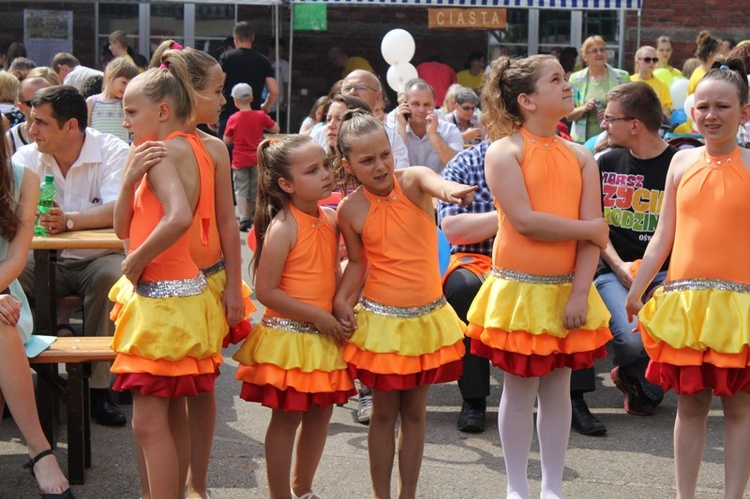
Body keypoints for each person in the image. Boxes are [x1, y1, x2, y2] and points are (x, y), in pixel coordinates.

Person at [466, 55, 612, 498]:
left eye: (566, 78)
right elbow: (526, 221)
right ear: (527, 100)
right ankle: (516, 487)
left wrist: (580, 293)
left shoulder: (582, 155)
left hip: (568, 289)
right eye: (556, 79)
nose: (568, 85)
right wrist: (589, 228)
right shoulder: (504, 150)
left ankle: (552, 487)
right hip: (520, 291)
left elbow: (594, 237)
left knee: (558, 388)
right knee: (519, 385)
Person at [625, 58, 750, 499]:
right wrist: (637, 290)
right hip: (687, 305)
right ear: (691, 110)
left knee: (739, 408)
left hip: (740, 310)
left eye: (723, 106)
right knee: (691, 404)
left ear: (744, 113)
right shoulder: (680, 161)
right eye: (702, 106)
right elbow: (663, 235)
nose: (711, 115)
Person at [333, 110, 474, 498]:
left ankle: (407, 494)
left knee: (415, 412)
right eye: (366, 160)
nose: (380, 166)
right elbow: (358, 263)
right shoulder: (350, 210)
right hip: (381, 326)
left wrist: (450, 191)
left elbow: (435, 181)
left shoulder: (411, 182)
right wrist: (341, 301)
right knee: (382, 413)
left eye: (384, 155)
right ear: (348, 165)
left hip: (426, 320)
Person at [110, 57, 225, 499]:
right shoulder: (187, 147)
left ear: (161, 111)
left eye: (131, 111)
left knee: (148, 422)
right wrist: (126, 180)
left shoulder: (164, 152)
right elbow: (123, 225)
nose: (125, 121)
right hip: (180, 297)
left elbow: (177, 218)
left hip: (161, 301)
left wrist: (135, 260)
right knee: (171, 414)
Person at [234, 135, 356, 499]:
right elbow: (267, 291)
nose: (325, 174)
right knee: (286, 420)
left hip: (323, 335)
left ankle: (304, 489)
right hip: (291, 338)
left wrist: (340, 304)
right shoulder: (283, 227)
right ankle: (279, 495)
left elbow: (334, 272)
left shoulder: (331, 218)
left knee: (321, 417)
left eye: (325, 165)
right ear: (286, 184)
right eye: (312, 170)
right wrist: (317, 316)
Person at [14, 85, 129, 427]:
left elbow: (119, 209)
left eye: (40, 123)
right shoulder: (27, 156)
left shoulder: (112, 150)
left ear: (71, 126)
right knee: (8, 280)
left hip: (94, 259)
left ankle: (97, 389)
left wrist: (68, 221)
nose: (31, 131)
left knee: (112, 278)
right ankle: (18, 378)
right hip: (38, 259)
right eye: (32, 122)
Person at [1, 121, 74, 499]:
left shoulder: (23, 178)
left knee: (1, 326)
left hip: (4, 294)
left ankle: (40, 449)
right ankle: (40, 449)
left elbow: (16, 257)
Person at [596, 81, 677, 416]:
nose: (603, 125)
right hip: (614, 271)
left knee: (668, 336)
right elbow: (596, 228)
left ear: (634, 125)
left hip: (666, 274)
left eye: (609, 118)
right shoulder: (605, 162)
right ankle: (632, 374)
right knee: (631, 339)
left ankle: (638, 376)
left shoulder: (679, 165)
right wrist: (618, 268)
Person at [437, 139, 495, 433]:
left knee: (572, 283)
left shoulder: (544, 157)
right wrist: (516, 217)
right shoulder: (465, 163)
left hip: (533, 259)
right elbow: (453, 228)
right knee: (462, 288)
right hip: (476, 259)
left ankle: (575, 399)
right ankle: (474, 400)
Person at [321, 69, 409, 169]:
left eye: (360, 88)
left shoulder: (391, 136)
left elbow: (400, 175)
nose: (352, 92)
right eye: (347, 88)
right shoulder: (323, 132)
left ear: (378, 96)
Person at [223, 82, 280, 232]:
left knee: (241, 188)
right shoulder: (260, 116)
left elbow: (226, 140)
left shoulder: (233, 118)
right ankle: (254, 216)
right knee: (255, 188)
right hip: (257, 158)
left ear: (235, 101)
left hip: (239, 159)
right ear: (252, 98)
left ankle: (243, 217)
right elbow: (276, 128)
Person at [567, 36, 630, 144]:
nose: (599, 53)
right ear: (585, 56)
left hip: (614, 141)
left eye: (602, 50)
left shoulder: (622, 77)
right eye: (594, 51)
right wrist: (584, 108)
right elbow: (568, 115)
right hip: (582, 142)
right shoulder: (576, 79)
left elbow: (631, 108)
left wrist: (610, 113)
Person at [219, 22, 278, 135]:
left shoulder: (226, 58)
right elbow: (274, 91)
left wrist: (216, 111)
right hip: (253, 118)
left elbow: (218, 86)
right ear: (253, 38)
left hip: (229, 116)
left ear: (235, 38)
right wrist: (265, 106)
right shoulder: (263, 60)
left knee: (225, 151)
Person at [395, 78, 463, 173]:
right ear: (405, 104)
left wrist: (433, 135)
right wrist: (401, 128)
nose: (421, 110)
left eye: (426, 104)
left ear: (434, 104)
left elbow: (457, 166)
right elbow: (395, 168)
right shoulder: (394, 130)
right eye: (415, 104)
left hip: (440, 186)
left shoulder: (450, 130)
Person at [86, 57, 140, 143]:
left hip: (120, 152)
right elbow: (86, 130)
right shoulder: (92, 102)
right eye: (123, 82)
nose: (126, 88)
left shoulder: (126, 104)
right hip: (98, 151)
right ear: (110, 76)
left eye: (130, 84)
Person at [5, 76, 51, 155]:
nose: (43, 107)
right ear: (21, 108)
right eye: (34, 103)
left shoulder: (64, 133)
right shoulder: (11, 138)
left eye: (49, 100)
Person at [631, 45, 672, 117]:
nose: (651, 62)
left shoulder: (662, 84)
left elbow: (664, 113)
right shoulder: (629, 81)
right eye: (647, 60)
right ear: (638, 62)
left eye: (654, 60)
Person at [687, 31, 721, 96]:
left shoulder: (699, 72)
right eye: (721, 54)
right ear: (711, 55)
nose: (723, 57)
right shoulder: (704, 79)